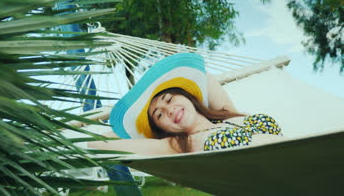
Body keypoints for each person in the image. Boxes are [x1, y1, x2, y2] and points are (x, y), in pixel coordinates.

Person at [88, 53, 285, 156]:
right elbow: (99, 143)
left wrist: (158, 81)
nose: (169, 109)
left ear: (188, 97)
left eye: (170, 99)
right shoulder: (176, 145)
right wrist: (130, 129)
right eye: (159, 115)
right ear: (161, 128)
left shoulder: (228, 114)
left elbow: (202, 76)